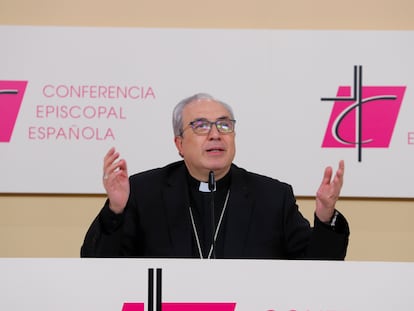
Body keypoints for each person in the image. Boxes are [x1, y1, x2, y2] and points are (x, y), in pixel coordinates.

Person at [81, 93, 349, 259]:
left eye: (224, 125)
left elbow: (317, 268)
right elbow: (97, 265)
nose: (215, 134)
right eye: (200, 126)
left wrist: (326, 218)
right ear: (179, 144)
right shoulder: (143, 192)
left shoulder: (272, 197)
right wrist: (115, 210)